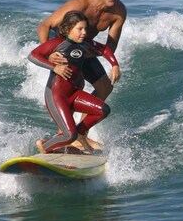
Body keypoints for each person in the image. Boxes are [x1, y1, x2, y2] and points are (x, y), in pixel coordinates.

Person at [36, 0, 127, 150]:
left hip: (84, 47)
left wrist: (106, 60)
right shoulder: (80, 4)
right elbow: (45, 26)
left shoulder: (118, 12)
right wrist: (50, 54)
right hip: (62, 45)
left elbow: (110, 46)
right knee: (71, 86)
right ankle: (64, 134)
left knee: (104, 86)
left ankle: (81, 134)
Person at [28, 10, 119, 155]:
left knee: (103, 110)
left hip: (74, 94)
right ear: (68, 29)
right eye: (79, 29)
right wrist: (55, 67)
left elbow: (104, 49)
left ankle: (81, 134)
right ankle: (44, 145)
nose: (84, 32)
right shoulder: (57, 43)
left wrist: (115, 65)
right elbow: (33, 55)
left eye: (85, 29)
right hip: (57, 96)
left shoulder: (85, 44)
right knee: (69, 135)